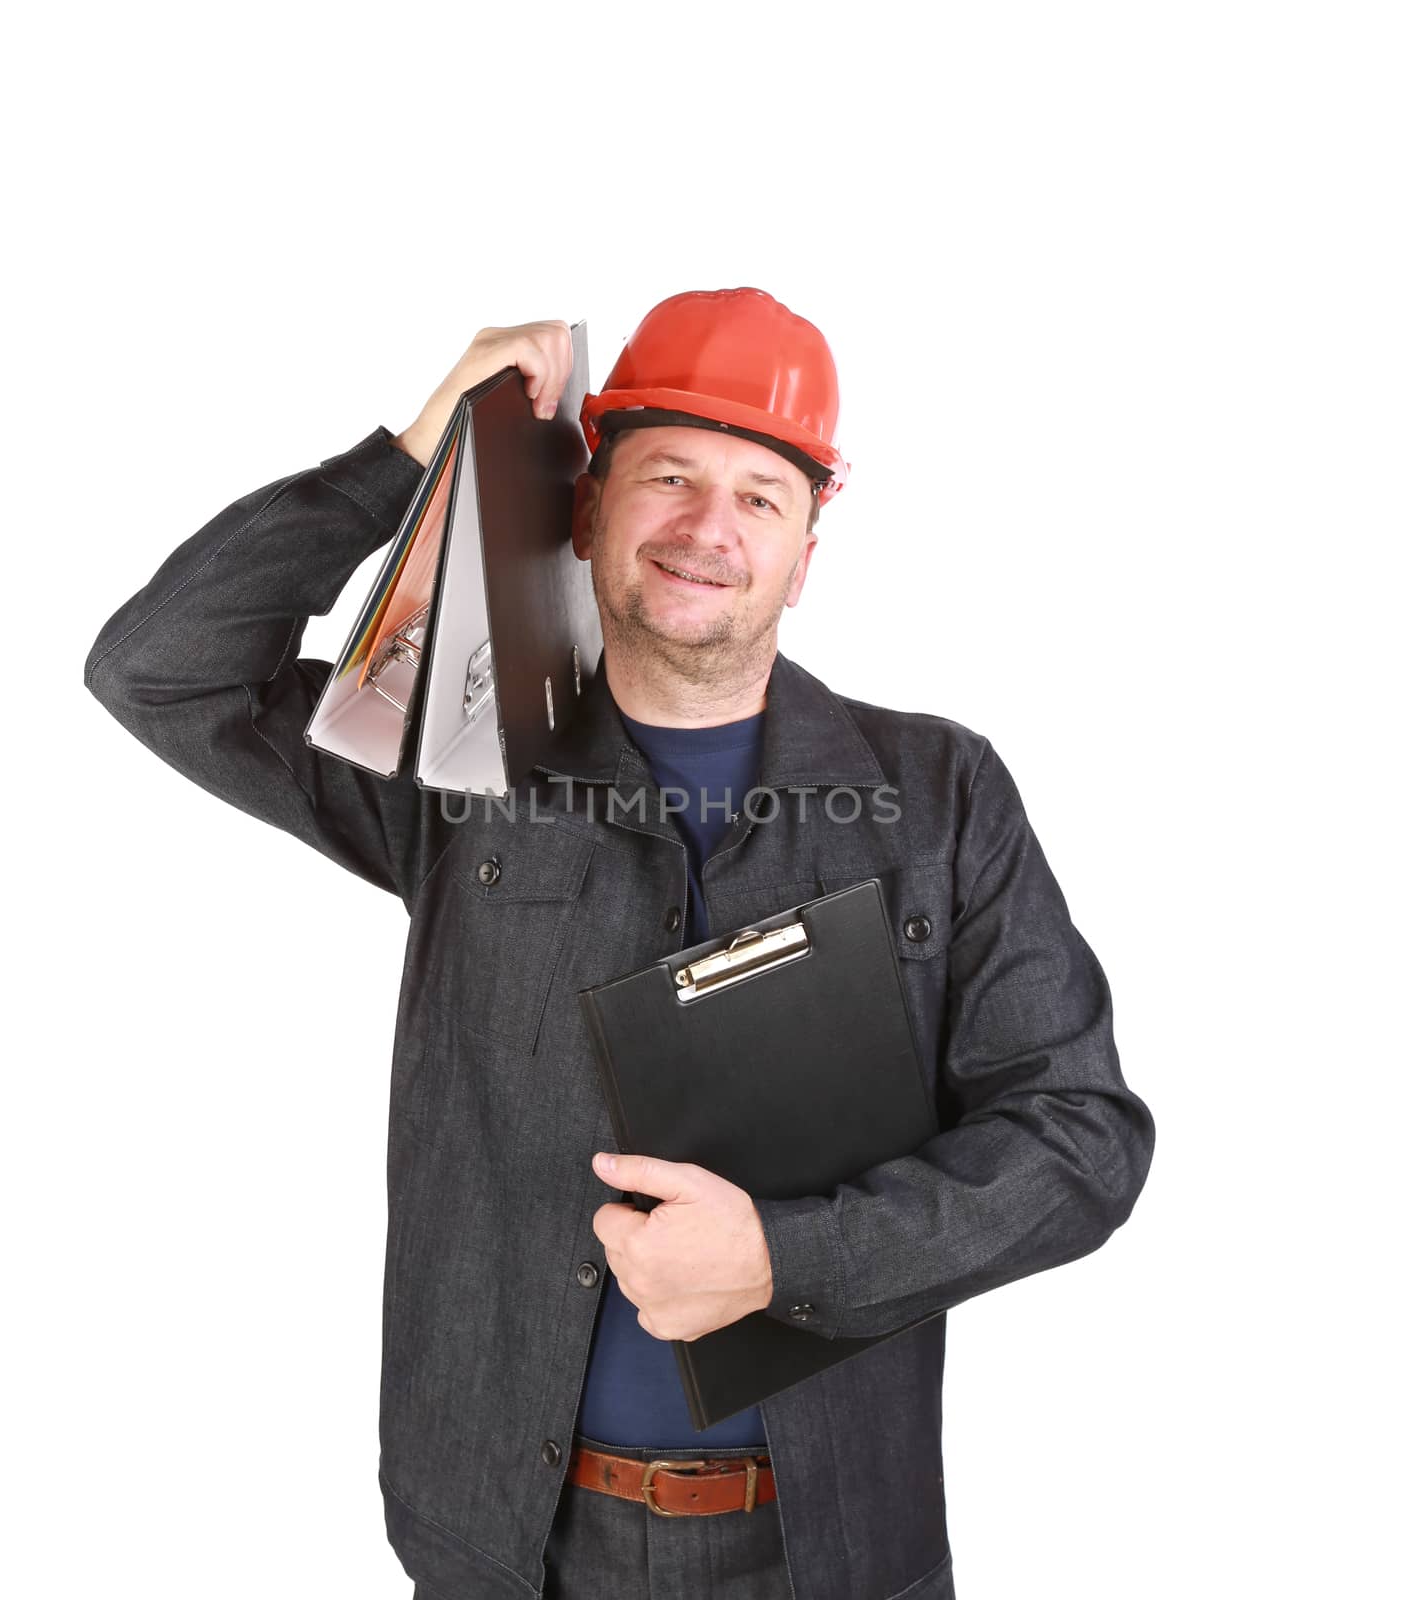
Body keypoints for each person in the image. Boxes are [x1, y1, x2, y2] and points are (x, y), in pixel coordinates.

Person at [84, 287, 1154, 1599]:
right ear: (585, 513)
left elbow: (1079, 1140)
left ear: (807, 552)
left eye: (760, 496)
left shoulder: (935, 793)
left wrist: (784, 1257)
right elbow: (162, 672)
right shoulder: (463, 766)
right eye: (667, 477)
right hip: (510, 1543)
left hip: (831, 1548)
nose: (709, 529)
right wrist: (412, 458)